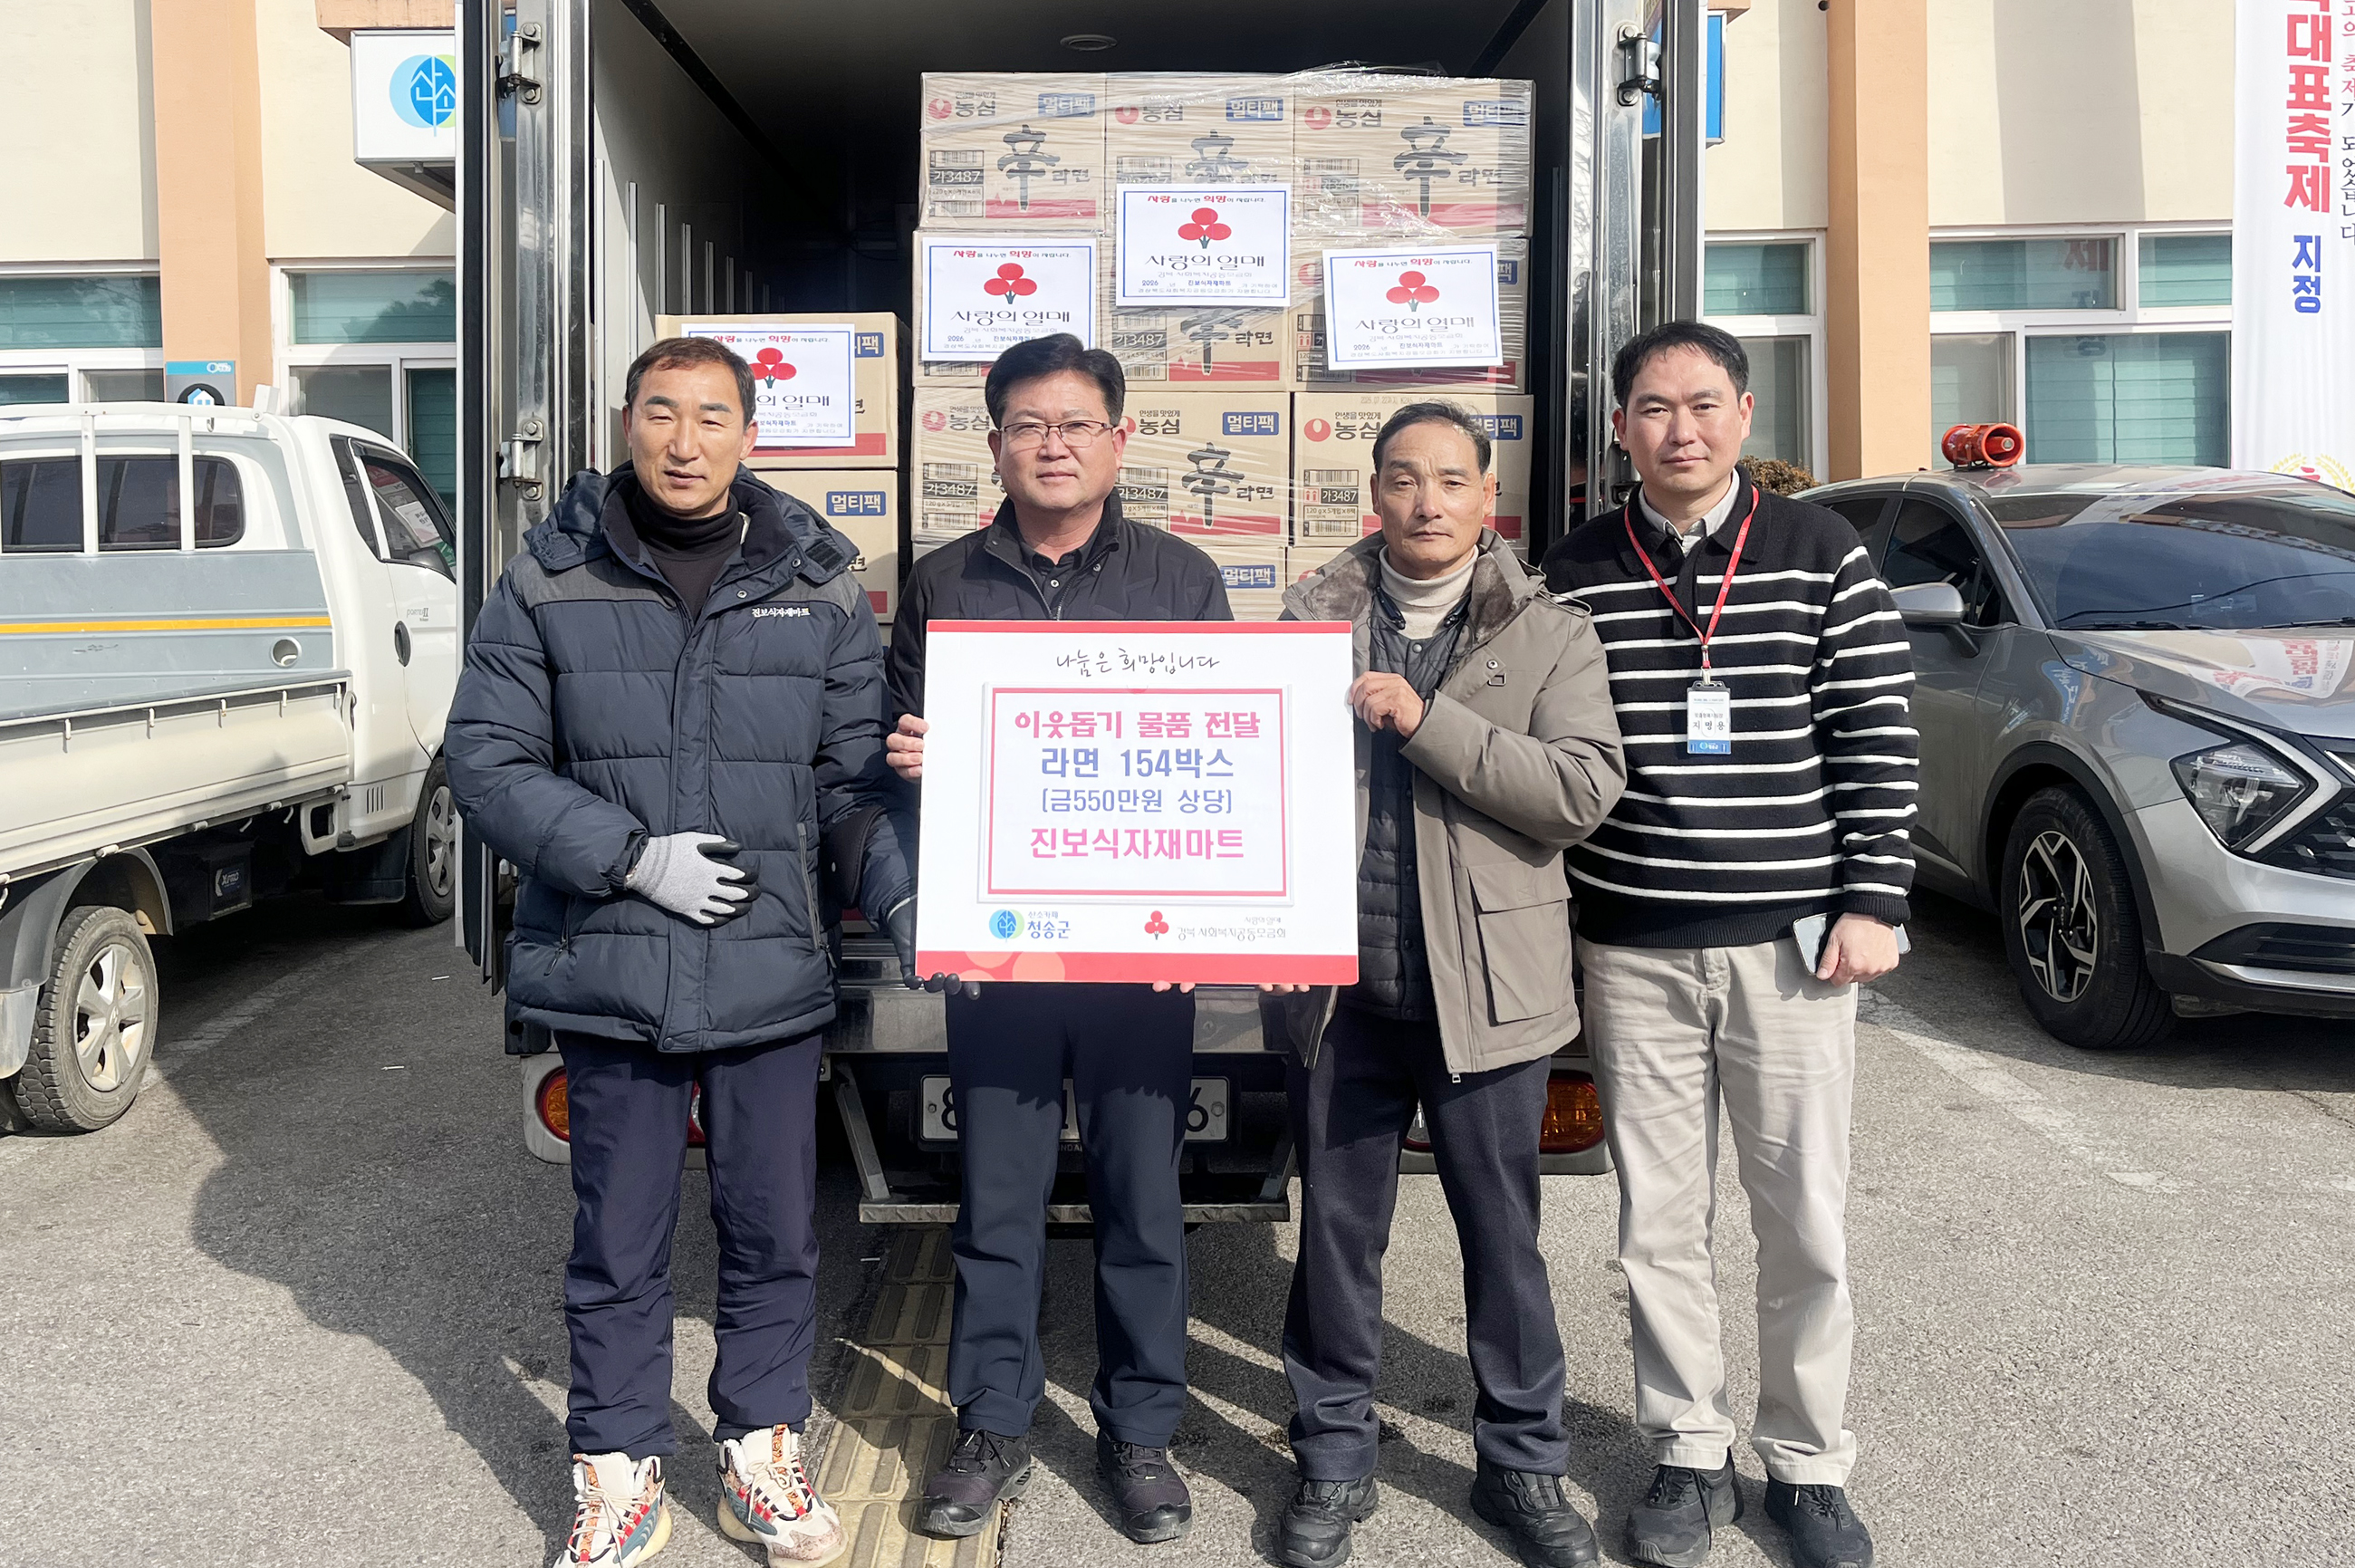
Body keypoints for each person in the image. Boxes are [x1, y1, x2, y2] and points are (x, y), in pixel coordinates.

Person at [446, 335, 916, 1568]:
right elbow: (485, 761)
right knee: (619, 1238)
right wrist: (627, 858)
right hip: (612, 964)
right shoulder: (548, 579)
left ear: (750, 435)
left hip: (768, 974)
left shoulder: (819, 582)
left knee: (773, 1233)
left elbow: (851, 782)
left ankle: (761, 1449)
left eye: (713, 417)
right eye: (663, 413)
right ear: (627, 425)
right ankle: (615, 1468)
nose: (686, 441)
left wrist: (909, 902)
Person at [1542, 322, 1916, 1568]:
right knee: (1657, 1219)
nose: (1681, 429)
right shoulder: (1577, 569)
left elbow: (1874, 731)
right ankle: (1688, 1449)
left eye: (1704, 404)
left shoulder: (1821, 551)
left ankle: (1806, 1463)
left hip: (1791, 945)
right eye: (1653, 408)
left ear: (1745, 416)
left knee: (1801, 1216)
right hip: (1632, 940)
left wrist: (1876, 899)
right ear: (1620, 428)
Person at [1264, 401, 1627, 1568]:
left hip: (1491, 997)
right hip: (1339, 995)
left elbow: (1580, 791)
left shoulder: (1548, 633)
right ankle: (1333, 1453)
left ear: (1487, 497)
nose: (1427, 502)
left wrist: (1427, 722)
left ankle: (1523, 1463)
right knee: (1337, 1237)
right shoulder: (1308, 623)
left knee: (1502, 1236)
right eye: (1404, 480)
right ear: (1373, 493)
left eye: (1451, 480)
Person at [882, 333, 1231, 1547]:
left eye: (1077, 423)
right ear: (994, 444)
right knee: (998, 1201)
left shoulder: (1183, 579)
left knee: (1144, 1201)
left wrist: (1215, 912)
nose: (1053, 445)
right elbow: (893, 745)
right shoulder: (943, 584)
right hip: (1001, 956)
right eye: (1028, 424)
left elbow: (1220, 761)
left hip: (1143, 962)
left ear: (1120, 439)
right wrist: (911, 758)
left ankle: (1140, 1431)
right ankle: (991, 1423)